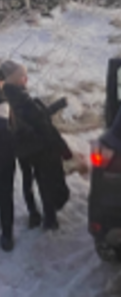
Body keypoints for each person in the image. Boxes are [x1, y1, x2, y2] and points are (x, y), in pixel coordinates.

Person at [1, 61, 72, 231]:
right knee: (42, 181)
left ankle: (36, 214)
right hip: (34, 147)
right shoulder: (19, 98)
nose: (26, 79)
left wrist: (57, 105)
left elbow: (36, 116)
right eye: (23, 76)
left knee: (31, 180)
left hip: (22, 148)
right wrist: (61, 147)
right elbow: (40, 122)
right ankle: (46, 218)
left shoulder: (13, 95)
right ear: (16, 79)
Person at [0, 71, 15, 251]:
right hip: (6, 154)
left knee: (4, 195)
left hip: (5, 156)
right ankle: (7, 235)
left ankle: (7, 234)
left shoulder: (6, 100)